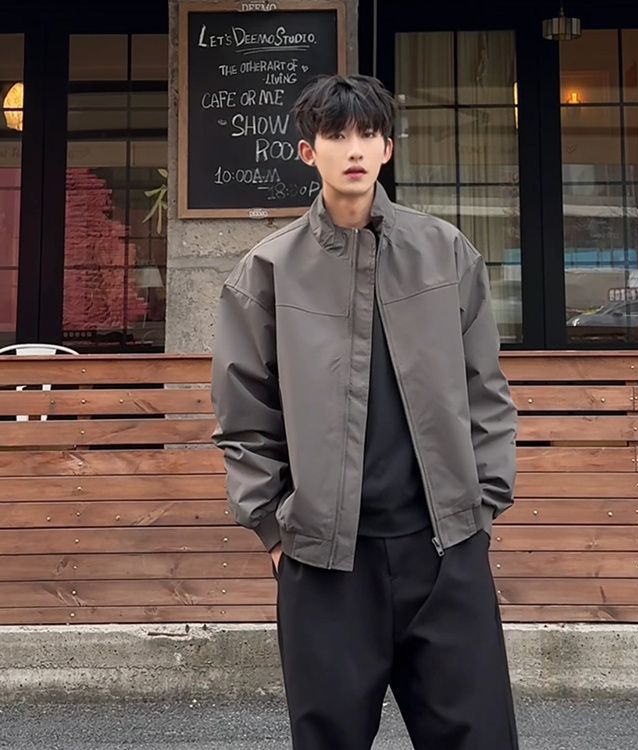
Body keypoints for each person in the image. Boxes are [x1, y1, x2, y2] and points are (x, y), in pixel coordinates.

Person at [211, 74, 519, 750]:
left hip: (444, 550)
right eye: (336, 134)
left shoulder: (446, 253)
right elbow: (244, 418)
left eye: (369, 134)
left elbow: (486, 391)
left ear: (387, 148)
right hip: (325, 566)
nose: (354, 149)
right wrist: (274, 530)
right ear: (308, 152)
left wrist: (482, 508)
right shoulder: (267, 272)